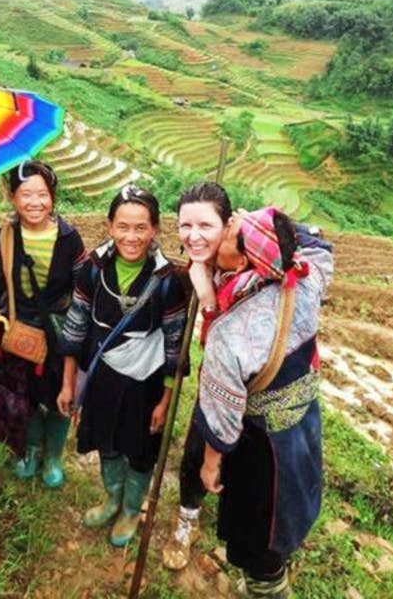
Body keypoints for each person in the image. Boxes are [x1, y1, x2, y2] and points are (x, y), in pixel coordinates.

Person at [195, 207, 333, 598]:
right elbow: (317, 242)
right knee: (293, 503)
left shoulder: (232, 330)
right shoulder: (306, 280)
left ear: (242, 260)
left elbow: (221, 417)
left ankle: (267, 587)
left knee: (261, 527)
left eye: (229, 231)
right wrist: (266, 226)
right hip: (302, 428)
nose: (219, 231)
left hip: (262, 448)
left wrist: (210, 465)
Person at [57, 185, 187, 547]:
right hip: (101, 377)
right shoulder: (93, 270)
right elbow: (75, 329)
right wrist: (70, 385)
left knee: (141, 448)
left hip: (145, 384)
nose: (132, 237)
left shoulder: (167, 282)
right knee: (107, 441)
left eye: (141, 228)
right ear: (110, 226)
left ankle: (131, 508)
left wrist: (164, 400)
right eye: (123, 226)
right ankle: (112, 498)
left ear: (155, 230)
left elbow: (175, 345)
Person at [0, 160, 87, 487]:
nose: (34, 202)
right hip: (18, 328)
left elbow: (83, 288)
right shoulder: (6, 237)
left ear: (53, 197)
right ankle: (30, 451)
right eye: (26, 194)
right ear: (12, 197)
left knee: (58, 397)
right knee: (22, 397)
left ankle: (53, 456)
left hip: (59, 331)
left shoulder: (69, 238)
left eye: (42, 194)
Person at [162, 181, 233, 571]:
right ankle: (188, 520)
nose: (193, 236)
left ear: (228, 224)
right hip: (213, 386)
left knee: (232, 459)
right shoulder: (200, 265)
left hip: (251, 392)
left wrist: (207, 299)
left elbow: (229, 342)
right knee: (195, 451)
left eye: (205, 225)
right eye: (185, 226)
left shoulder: (243, 268)